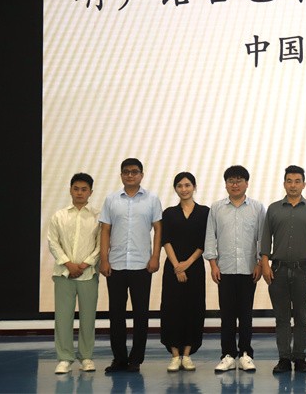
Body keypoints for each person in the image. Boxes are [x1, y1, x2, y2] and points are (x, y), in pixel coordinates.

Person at [99, 158, 162, 373]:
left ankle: (136, 359)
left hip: (142, 265)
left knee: (140, 314)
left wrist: (155, 256)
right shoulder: (111, 199)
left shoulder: (152, 199)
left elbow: (158, 229)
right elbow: (105, 230)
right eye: (126, 172)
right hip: (115, 264)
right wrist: (104, 259)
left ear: (141, 175)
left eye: (134, 172)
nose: (130, 175)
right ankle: (119, 359)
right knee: (116, 314)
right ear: (121, 175)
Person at [204, 165, 266, 373]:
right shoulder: (216, 208)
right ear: (226, 184)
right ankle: (228, 355)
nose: (235, 184)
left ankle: (246, 354)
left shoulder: (257, 208)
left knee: (246, 314)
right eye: (231, 180)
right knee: (227, 315)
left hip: (249, 269)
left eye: (239, 180)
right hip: (225, 269)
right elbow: (210, 237)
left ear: (247, 183)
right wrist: (213, 264)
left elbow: (262, 238)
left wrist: (259, 263)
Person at [260, 165, 306, 374]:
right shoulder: (273, 209)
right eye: (289, 181)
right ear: (284, 183)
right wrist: (264, 264)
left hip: (303, 270)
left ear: (304, 184)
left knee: (302, 317)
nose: (293, 185)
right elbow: (266, 238)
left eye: (297, 181)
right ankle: (284, 358)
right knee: (282, 318)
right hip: (277, 270)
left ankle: (300, 357)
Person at [47, 173, 101, 374]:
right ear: (70, 190)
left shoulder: (98, 216)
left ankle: (86, 357)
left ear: (90, 192)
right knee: (63, 317)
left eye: (84, 189)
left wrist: (85, 264)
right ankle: (64, 358)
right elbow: (53, 242)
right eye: (76, 189)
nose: (80, 193)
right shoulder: (59, 216)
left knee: (88, 317)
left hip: (89, 274)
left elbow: (101, 245)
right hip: (64, 273)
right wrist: (68, 264)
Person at [160, 172, 209, 372]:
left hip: (195, 268)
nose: (184, 189)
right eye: (179, 185)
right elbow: (165, 240)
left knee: (193, 308)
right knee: (171, 309)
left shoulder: (205, 212)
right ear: (175, 189)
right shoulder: (169, 213)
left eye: (187, 185)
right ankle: (174, 355)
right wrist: (177, 266)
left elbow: (204, 241)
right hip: (172, 269)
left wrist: (187, 263)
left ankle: (187, 355)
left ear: (194, 187)